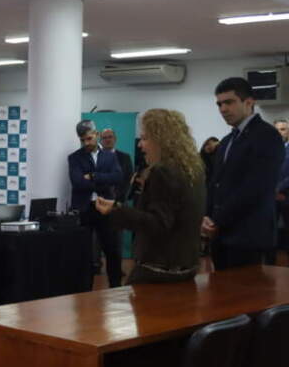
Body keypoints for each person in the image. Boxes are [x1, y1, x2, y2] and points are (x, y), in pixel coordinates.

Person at [95, 109, 205, 284]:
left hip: (159, 270)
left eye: (145, 138)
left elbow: (157, 223)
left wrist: (117, 210)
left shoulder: (162, 172)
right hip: (186, 267)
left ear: (162, 140)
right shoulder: (192, 170)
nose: (140, 145)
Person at [201, 78, 285, 269]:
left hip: (249, 235)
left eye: (229, 102)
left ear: (249, 102)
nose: (222, 109)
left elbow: (256, 188)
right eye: (219, 104)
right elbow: (216, 183)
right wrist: (207, 216)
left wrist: (217, 220)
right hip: (222, 234)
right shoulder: (227, 140)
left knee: (248, 296)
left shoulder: (267, 136)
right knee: (221, 295)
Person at [68, 120, 124, 287]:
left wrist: (92, 176)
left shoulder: (110, 156)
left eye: (89, 138)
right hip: (84, 209)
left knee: (112, 250)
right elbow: (77, 182)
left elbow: (117, 178)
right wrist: (103, 180)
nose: (86, 143)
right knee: (83, 252)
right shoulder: (74, 158)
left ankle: (115, 286)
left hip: (105, 208)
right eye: (82, 140)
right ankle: (84, 288)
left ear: (97, 134)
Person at [100, 129, 133, 203]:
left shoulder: (125, 157)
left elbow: (129, 178)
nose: (107, 140)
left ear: (115, 139)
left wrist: (120, 196)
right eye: (104, 138)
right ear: (100, 141)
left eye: (110, 137)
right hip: (99, 201)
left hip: (119, 201)